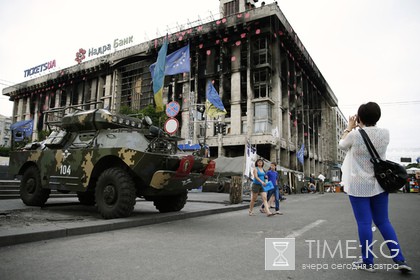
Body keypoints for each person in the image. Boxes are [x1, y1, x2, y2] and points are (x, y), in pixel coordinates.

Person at [339, 102, 411, 273]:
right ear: (377, 116)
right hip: (380, 183)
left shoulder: (355, 135)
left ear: (360, 118)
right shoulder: (385, 134)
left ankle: (368, 262)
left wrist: (349, 127)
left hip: (358, 186)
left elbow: (342, 144)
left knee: (364, 223)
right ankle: (400, 260)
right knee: (383, 221)